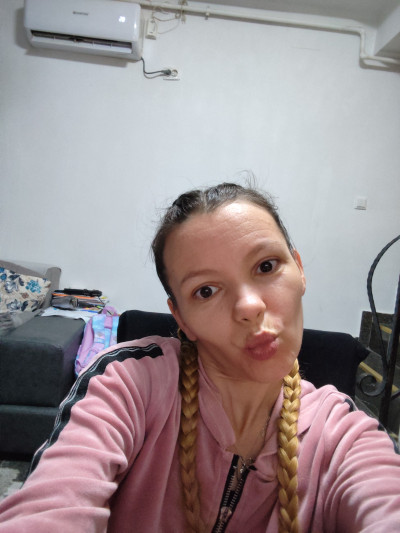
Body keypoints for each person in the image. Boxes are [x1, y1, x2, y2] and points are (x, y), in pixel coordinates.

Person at [0, 182, 399, 533]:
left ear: (299, 269)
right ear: (181, 318)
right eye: (206, 291)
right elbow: (51, 506)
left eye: (266, 266)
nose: (249, 307)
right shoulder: (128, 385)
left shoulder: (344, 436)